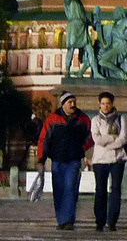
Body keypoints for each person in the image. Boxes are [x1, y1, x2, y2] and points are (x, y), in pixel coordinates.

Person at [36, 91, 91, 229]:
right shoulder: (52, 119)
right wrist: (41, 159)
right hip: (57, 160)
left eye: (74, 102)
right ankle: (62, 219)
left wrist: (82, 149)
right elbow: (44, 140)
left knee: (70, 188)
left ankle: (67, 220)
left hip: (74, 160)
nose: (73, 105)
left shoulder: (83, 119)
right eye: (70, 102)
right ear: (63, 104)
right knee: (59, 190)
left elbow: (91, 137)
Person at [89, 91, 127, 231]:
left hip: (117, 159)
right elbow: (97, 139)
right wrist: (113, 138)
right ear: (99, 104)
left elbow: (123, 137)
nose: (105, 106)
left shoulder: (121, 119)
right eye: (103, 103)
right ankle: (99, 221)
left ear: (112, 104)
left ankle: (112, 221)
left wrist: (109, 143)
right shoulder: (95, 120)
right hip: (100, 160)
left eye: (108, 103)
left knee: (116, 190)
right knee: (100, 190)